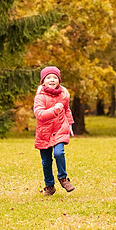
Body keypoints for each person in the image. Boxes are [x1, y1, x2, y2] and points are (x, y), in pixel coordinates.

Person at [33, 66, 75, 195]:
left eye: (55, 77)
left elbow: (67, 109)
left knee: (59, 153)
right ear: (43, 81)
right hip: (44, 132)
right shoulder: (40, 97)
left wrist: (70, 124)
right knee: (46, 162)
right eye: (49, 77)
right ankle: (49, 185)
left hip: (60, 129)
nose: (52, 80)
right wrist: (55, 109)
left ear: (59, 80)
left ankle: (63, 178)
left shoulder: (64, 95)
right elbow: (39, 114)